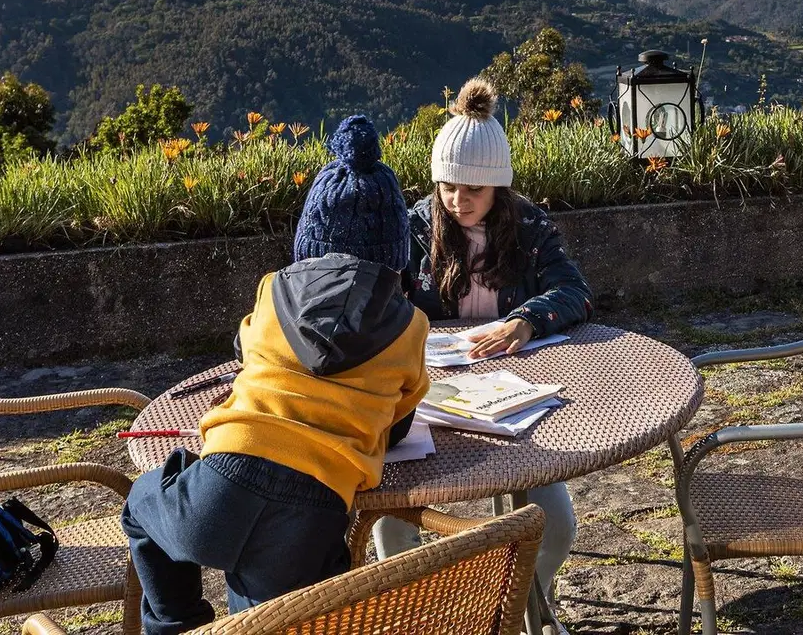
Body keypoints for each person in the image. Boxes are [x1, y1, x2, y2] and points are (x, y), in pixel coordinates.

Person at [121, 115, 430, 635]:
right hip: (314, 510)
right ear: (395, 255)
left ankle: (179, 625)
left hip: (222, 481)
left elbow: (245, 351)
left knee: (141, 506)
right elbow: (398, 424)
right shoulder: (410, 325)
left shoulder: (273, 290)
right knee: (268, 622)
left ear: (310, 240)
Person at [373, 77, 592, 612]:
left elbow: (574, 291)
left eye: (473, 188)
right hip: (427, 399)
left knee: (557, 526)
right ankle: (424, 616)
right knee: (389, 523)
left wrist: (526, 322)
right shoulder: (415, 229)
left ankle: (520, 609)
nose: (458, 200)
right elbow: (381, 299)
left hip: (512, 400)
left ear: (498, 186)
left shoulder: (530, 228)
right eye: (448, 186)